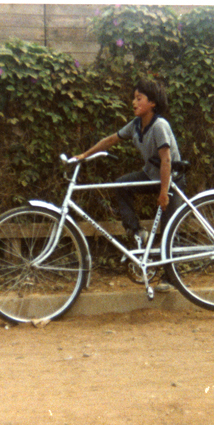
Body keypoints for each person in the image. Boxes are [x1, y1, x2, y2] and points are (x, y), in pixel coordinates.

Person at [74, 79, 185, 292]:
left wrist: (164, 192)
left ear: (152, 103)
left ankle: (171, 278)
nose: (133, 102)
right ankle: (137, 231)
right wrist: (85, 155)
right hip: (150, 174)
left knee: (170, 228)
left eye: (139, 98)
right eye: (133, 98)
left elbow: (166, 160)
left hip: (170, 179)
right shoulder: (135, 125)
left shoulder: (160, 126)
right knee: (121, 185)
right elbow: (110, 140)